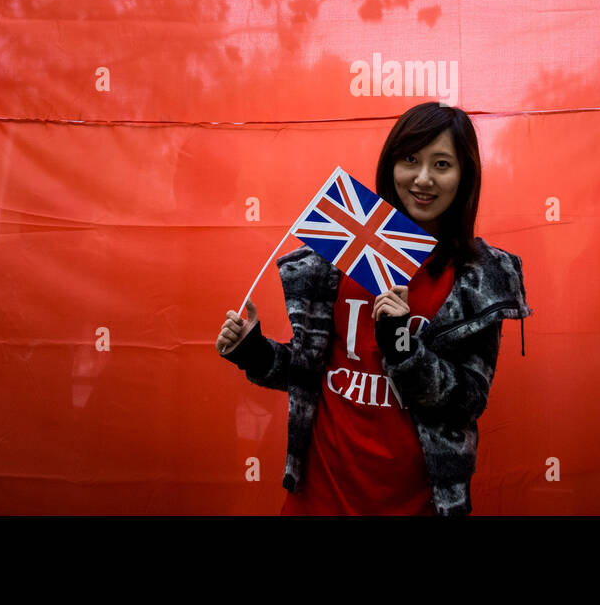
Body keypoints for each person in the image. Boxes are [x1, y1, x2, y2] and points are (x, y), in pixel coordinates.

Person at [216, 101, 531, 515]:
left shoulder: (478, 278)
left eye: (441, 164)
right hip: (320, 497)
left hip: (416, 502)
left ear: (465, 176)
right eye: (411, 159)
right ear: (391, 165)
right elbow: (314, 373)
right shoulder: (340, 257)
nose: (423, 179)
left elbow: (467, 400)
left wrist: (402, 346)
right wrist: (254, 351)